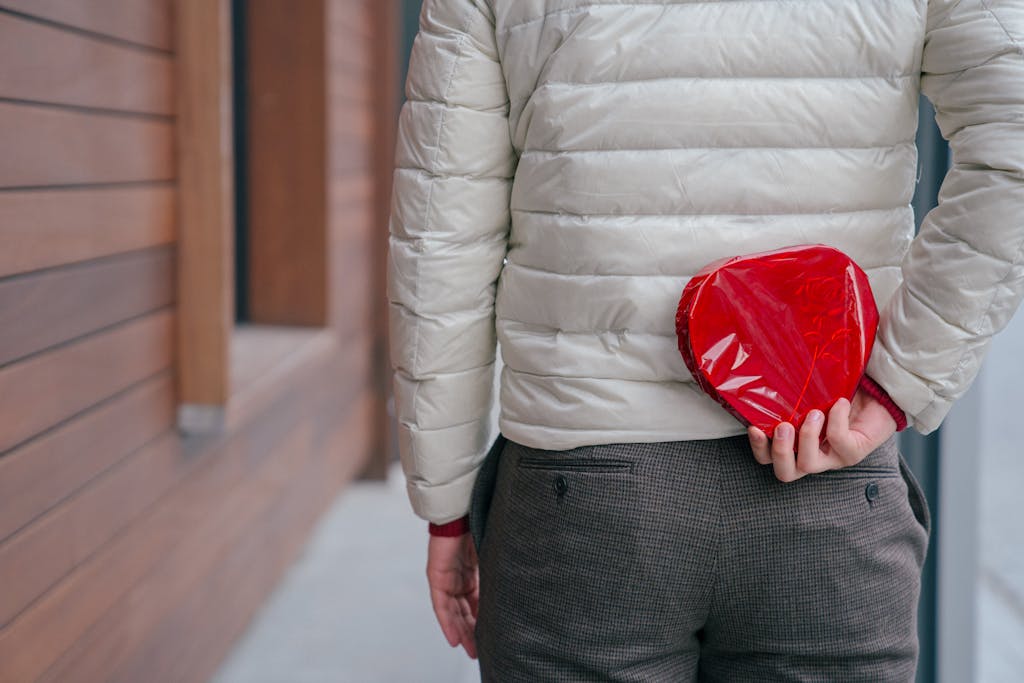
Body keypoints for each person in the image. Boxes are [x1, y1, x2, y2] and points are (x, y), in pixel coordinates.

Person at [387, 0, 1024, 680]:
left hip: (587, 503)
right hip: (824, 466)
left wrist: (448, 502)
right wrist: (895, 384)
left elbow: (438, 241)